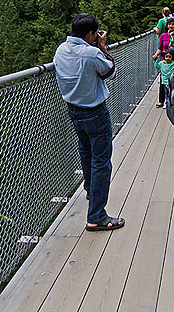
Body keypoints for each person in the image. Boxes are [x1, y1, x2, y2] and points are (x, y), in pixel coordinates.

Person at [53, 13, 125, 232]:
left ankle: (90, 189)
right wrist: (103, 47)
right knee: (102, 161)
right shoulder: (92, 53)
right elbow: (111, 72)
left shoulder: (60, 50)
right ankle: (96, 216)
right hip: (95, 112)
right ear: (92, 33)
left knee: (85, 152)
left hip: (73, 111)